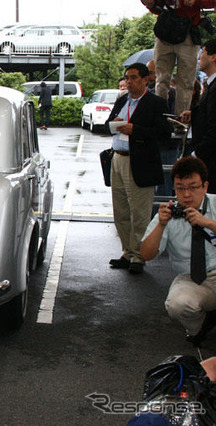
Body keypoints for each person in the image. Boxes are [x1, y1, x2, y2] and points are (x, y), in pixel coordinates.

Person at [141, 157, 216, 346]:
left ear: (205, 186)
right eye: (180, 188)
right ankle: (199, 328)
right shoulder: (169, 213)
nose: (187, 194)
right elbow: (146, 254)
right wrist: (161, 224)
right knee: (178, 304)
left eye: (193, 187)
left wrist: (206, 222)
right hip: (192, 277)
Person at [106, 62, 172, 274]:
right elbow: (109, 123)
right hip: (118, 157)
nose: (129, 82)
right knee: (121, 210)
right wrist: (114, 123)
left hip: (140, 160)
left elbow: (164, 133)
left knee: (139, 211)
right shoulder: (122, 100)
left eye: (134, 77)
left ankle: (139, 256)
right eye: (127, 77)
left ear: (146, 80)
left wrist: (136, 130)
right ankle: (127, 252)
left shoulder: (156, 103)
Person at [141, 0, 216, 115]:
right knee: (161, 79)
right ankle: (160, 117)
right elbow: (154, 5)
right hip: (165, 31)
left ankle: (181, 120)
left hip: (187, 32)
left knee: (186, 82)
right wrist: (149, 4)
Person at [180, 38, 216, 193]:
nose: (199, 57)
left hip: (210, 162)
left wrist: (196, 154)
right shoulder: (210, 85)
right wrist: (194, 114)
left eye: (203, 53)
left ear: (213, 56)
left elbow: (214, 128)